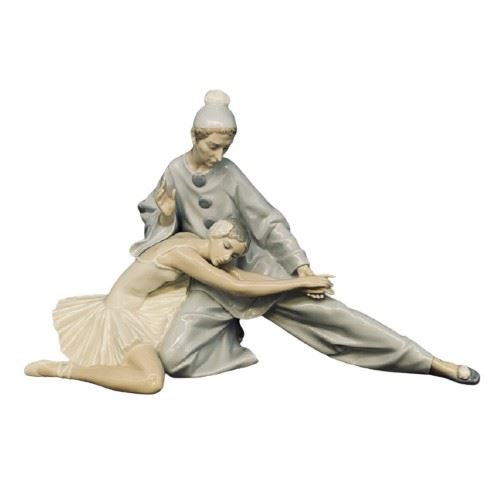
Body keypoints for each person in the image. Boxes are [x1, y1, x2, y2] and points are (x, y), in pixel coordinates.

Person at [130, 89, 479, 385]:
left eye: (226, 147)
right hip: (210, 283)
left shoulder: (230, 174)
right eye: (214, 146)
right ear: (195, 137)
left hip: (257, 272)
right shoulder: (174, 171)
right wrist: (165, 216)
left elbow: (267, 221)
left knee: (335, 319)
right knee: (174, 359)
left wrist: (300, 267)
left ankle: (430, 362)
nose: (220, 155)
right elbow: (159, 231)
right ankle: (228, 338)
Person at [24, 219, 332, 394]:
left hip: (144, 308)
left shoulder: (193, 243)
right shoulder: (183, 253)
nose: (227, 257)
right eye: (226, 247)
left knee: (153, 369)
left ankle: (103, 368)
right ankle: (62, 370)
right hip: (121, 317)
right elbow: (235, 286)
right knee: (151, 382)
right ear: (215, 234)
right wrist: (297, 284)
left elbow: (238, 275)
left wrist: (300, 280)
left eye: (234, 254)